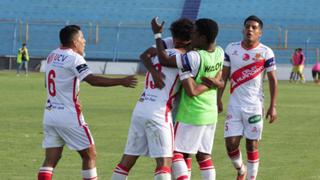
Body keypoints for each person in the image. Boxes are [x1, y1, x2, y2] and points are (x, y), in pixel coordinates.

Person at [37, 25, 137, 180]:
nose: (84, 41)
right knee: (90, 155)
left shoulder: (52, 55)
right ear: (74, 41)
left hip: (50, 113)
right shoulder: (74, 58)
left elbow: (47, 84)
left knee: (50, 160)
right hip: (69, 115)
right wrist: (121, 81)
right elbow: (92, 80)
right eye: (82, 38)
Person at [111, 18, 200, 180]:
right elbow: (189, 89)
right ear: (190, 38)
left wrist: (153, 71)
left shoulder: (160, 52)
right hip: (160, 112)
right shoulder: (183, 59)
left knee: (127, 160)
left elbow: (146, 56)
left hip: (141, 107)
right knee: (165, 162)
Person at [152, 17, 224, 180]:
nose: (191, 36)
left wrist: (157, 35)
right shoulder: (220, 52)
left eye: (195, 33)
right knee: (203, 156)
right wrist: (216, 83)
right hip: (210, 113)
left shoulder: (193, 57)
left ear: (203, 38)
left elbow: (164, 60)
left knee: (175, 152)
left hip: (192, 113)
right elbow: (220, 79)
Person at [214, 15, 278, 180]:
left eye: (254, 27)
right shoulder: (231, 49)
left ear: (260, 32)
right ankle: (241, 169)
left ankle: (251, 177)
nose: (250, 29)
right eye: (247, 26)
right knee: (231, 144)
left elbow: (272, 80)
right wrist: (218, 98)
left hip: (254, 106)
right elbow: (225, 76)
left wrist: (273, 106)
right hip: (234, 105)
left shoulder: (266, 52)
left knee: (252, 144)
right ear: (243, 30)